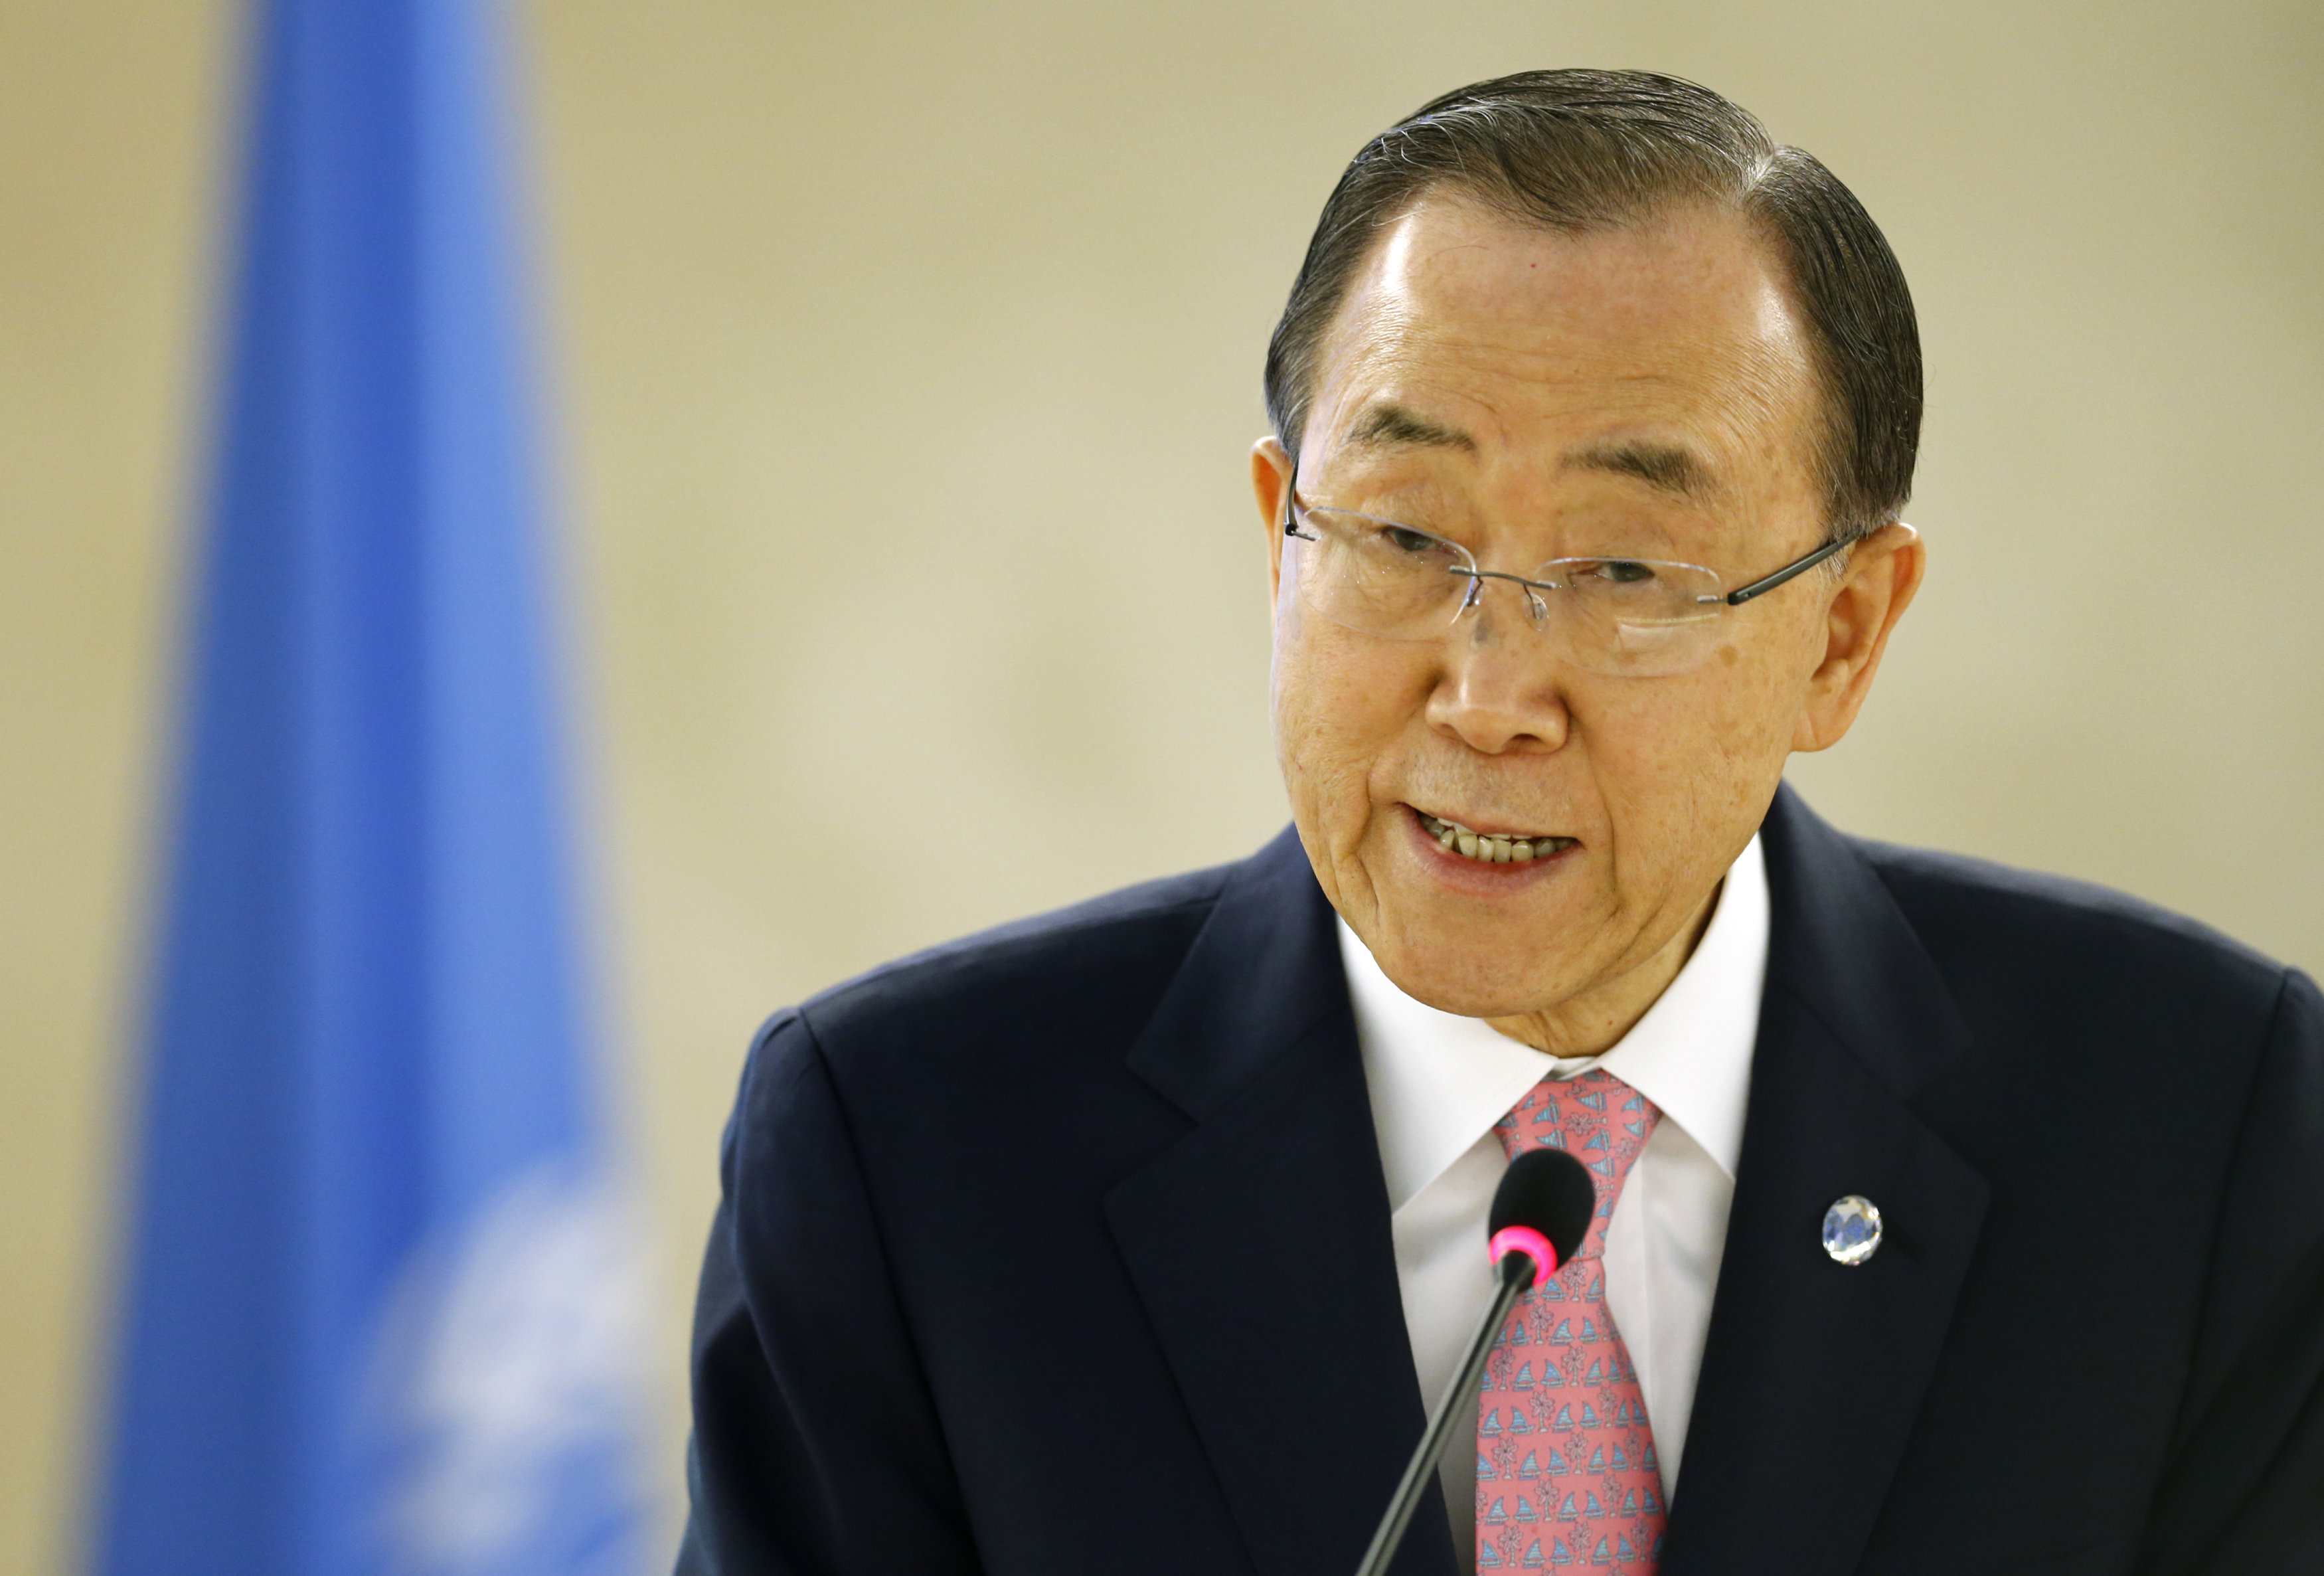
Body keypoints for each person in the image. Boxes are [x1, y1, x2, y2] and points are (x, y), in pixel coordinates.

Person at [676, 71, 2324, 1576]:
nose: (1486, 692)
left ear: (1841, 635)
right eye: (1400, 533)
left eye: (1622, 569)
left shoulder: (2206, 1128)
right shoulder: (905, 1156)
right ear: (1279, 541)